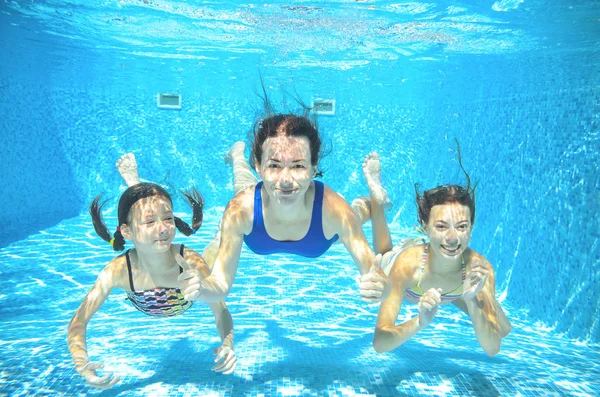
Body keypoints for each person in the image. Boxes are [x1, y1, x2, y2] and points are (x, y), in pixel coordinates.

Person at [118, 113, 391, 305]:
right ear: (259, 166)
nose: (285, 179)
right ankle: (238, 155)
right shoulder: (242, 209)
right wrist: (200, 289)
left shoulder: (334, 210)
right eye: (273, 165)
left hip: (322, 229)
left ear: (313, 168)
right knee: (213, 248)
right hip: (254, 216)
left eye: (298, 166)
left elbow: (378, 276)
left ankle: (373, 201)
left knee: (355, 214)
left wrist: (379, 287)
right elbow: (220, 287)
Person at [67, 182, 236, 390]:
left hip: (191, 276)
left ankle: (220, 232)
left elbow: (220, 309)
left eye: (168, 218)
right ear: (126, 232)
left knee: (214, 253)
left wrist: (227, 344)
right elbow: (79, 321)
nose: (163, 229)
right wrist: (82, 364)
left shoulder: (188, 261)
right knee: (145, 207)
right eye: (150, 221)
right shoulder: (119, 270)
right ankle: (135, 186)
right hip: (138, 261)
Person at [358, 149, 511, 356]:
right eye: (441, 227)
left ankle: (473, 298)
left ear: (472, 227)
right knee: (384, 254)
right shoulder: (407, 265)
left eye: (462, 226)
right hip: (410, 264)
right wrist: (420, 322)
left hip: (450, 285)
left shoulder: (479, 269)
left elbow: (493, 348)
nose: (453, 238)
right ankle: (376, 199)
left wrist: (472, 300)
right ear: (425, 226)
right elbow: (380, 343)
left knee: (503, 328)